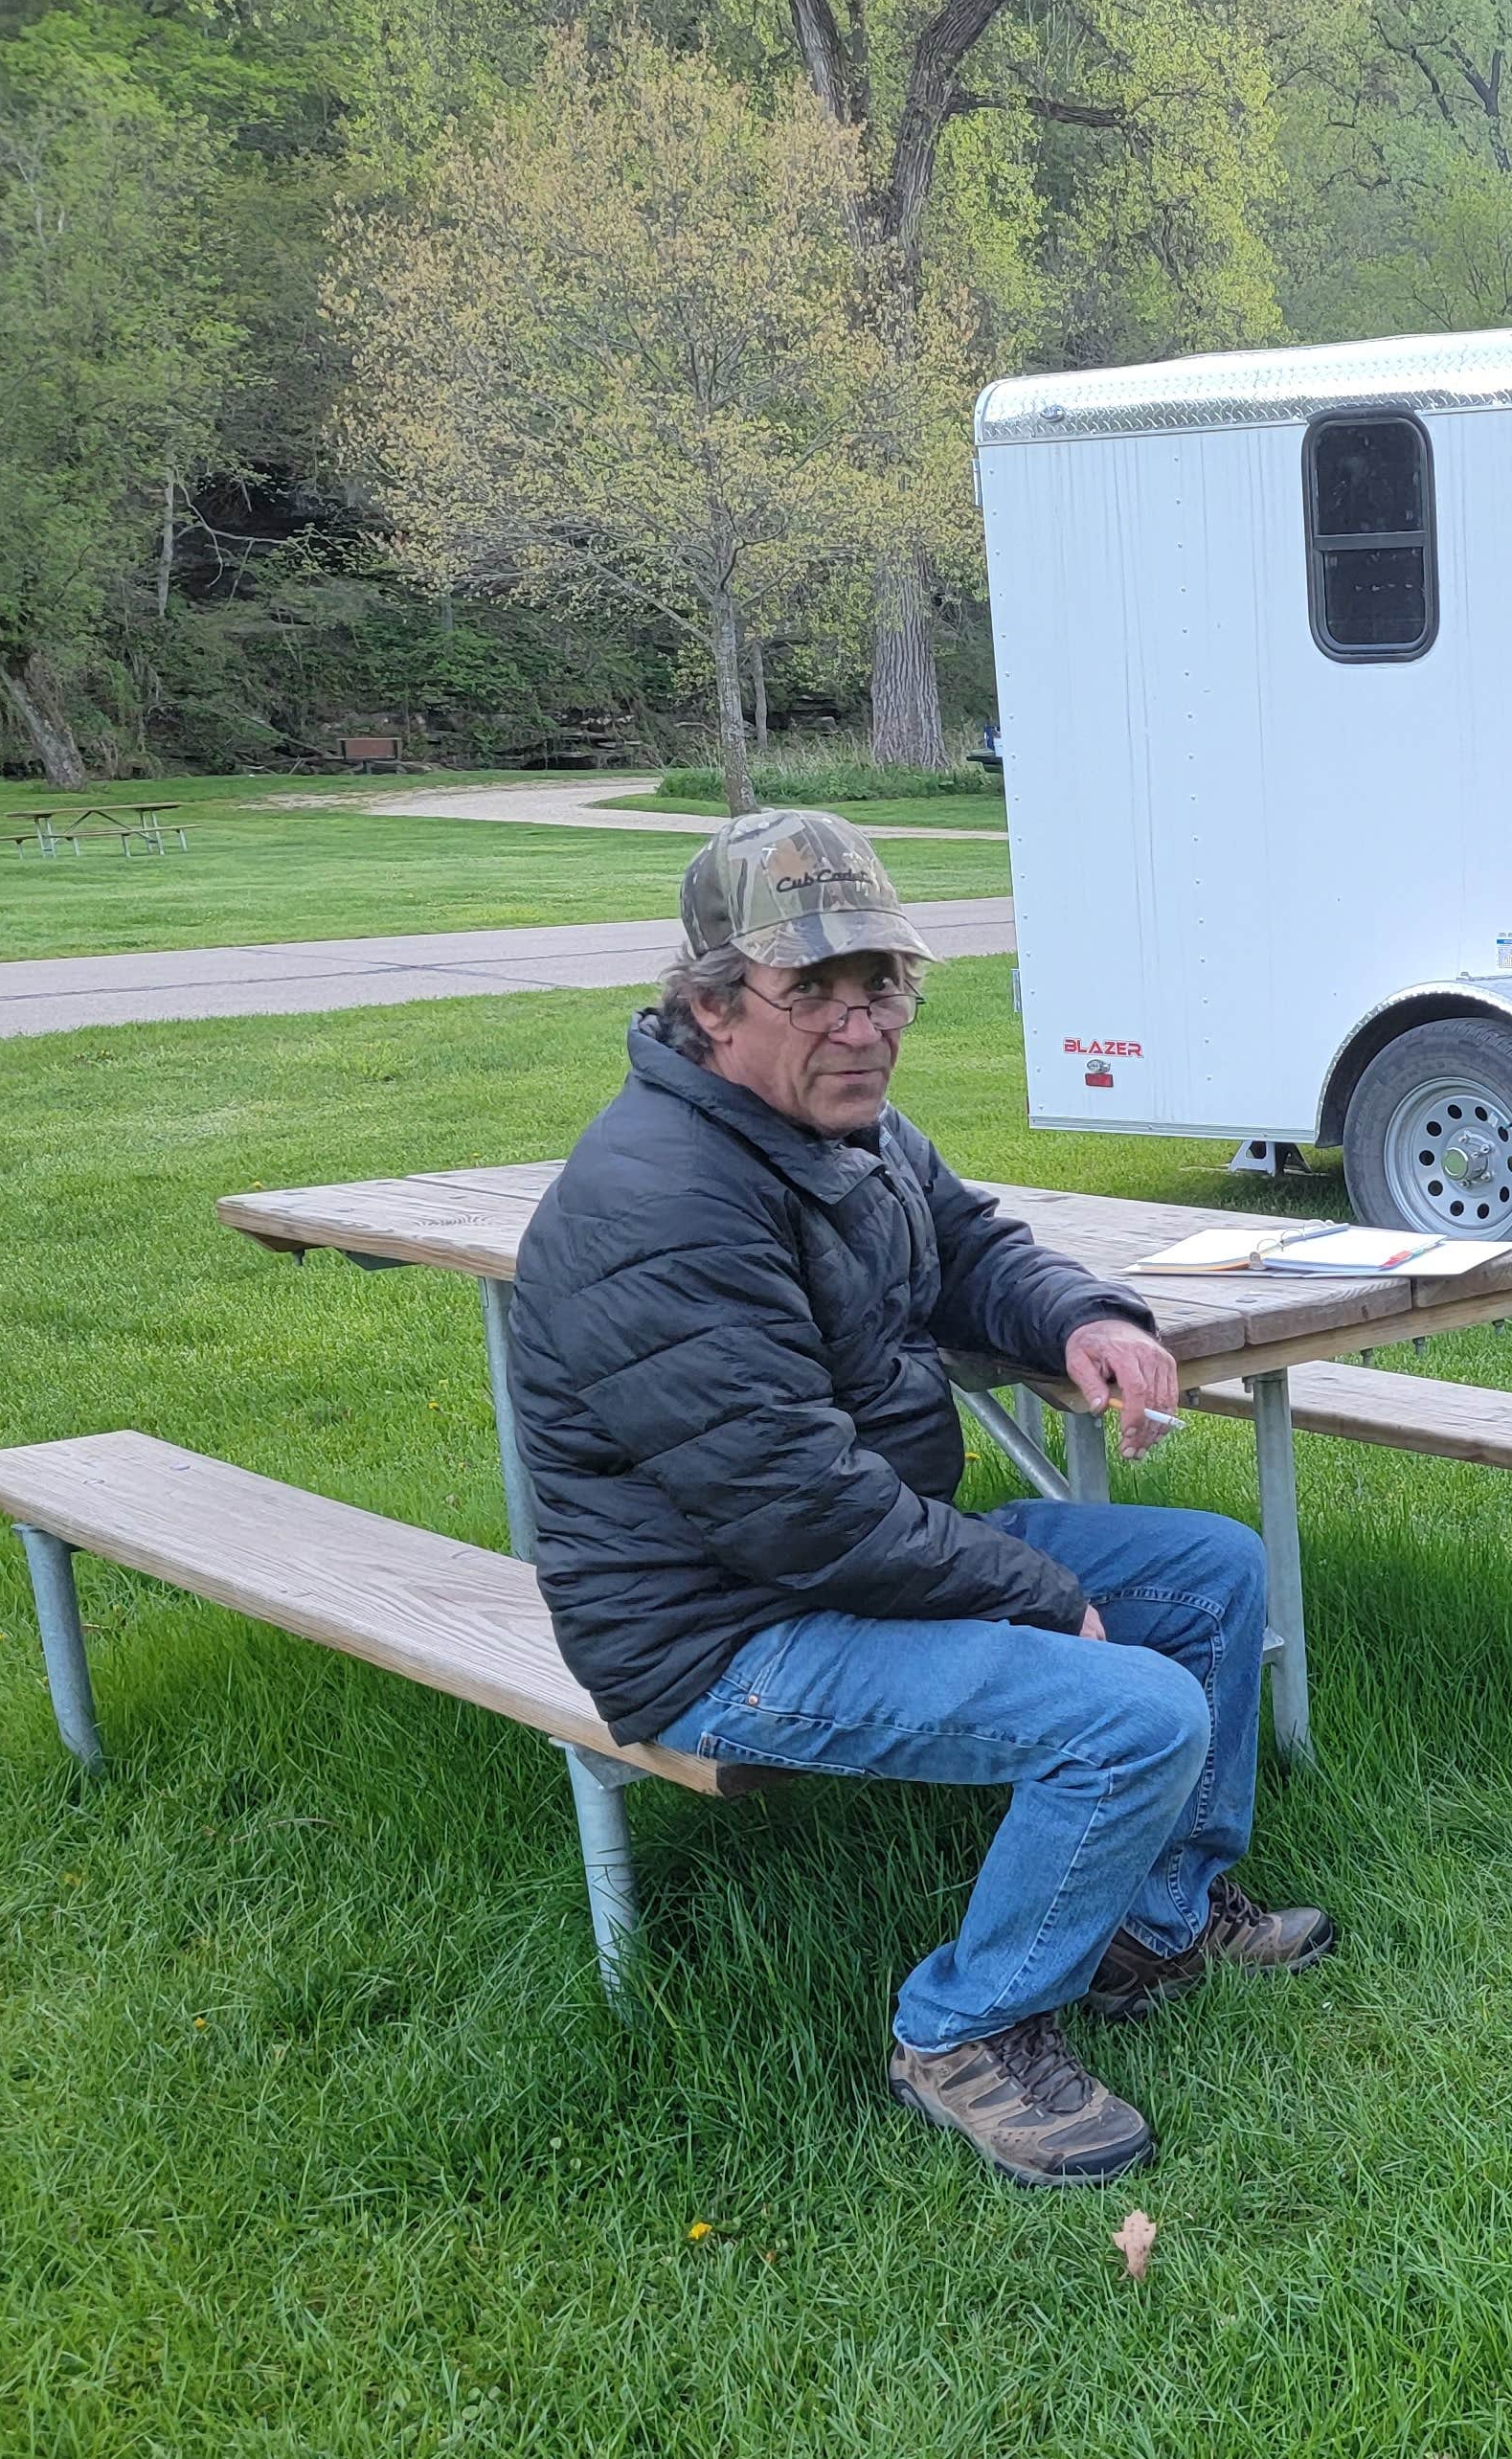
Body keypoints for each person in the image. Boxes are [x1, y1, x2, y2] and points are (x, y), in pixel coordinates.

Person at [508, 809, 1327, 2186]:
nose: (862, 1027)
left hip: (850, 1561)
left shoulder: (852, 1135)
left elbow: (972, 1247)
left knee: (1211, 1571)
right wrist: (1037, 1594)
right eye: (813, 990)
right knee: (1134, 1711)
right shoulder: (658, 1200)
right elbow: (793, 1505)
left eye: (881, 983)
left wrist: (1083, 1317)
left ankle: (1156, 1923)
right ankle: (966, 2032)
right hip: (724, 1631)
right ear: (712, 1006)